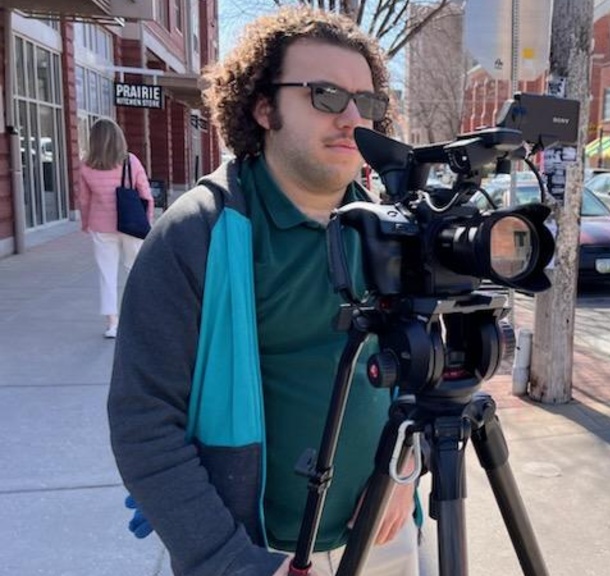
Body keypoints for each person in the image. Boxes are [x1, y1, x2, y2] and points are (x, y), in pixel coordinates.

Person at [107, 7, 419, 576]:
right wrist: (235, 563)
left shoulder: (391, 229)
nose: (353, 118)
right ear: (263, 107)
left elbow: (423, 368)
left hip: (385, 535)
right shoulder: (195, 233)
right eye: (325, 95)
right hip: (256, 553)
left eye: (367, 101)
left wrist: (405, 467)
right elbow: (143, 423)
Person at [77, 118, 154, 338]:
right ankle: (138, 318)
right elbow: (146, 195)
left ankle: (112, 324)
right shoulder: (130, 161)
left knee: (106, 274)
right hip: (132, 225)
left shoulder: (86, 165)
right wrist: (146, 223)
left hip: (101, 225)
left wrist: (85, 223)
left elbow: (83, 200)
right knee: (135, 271)